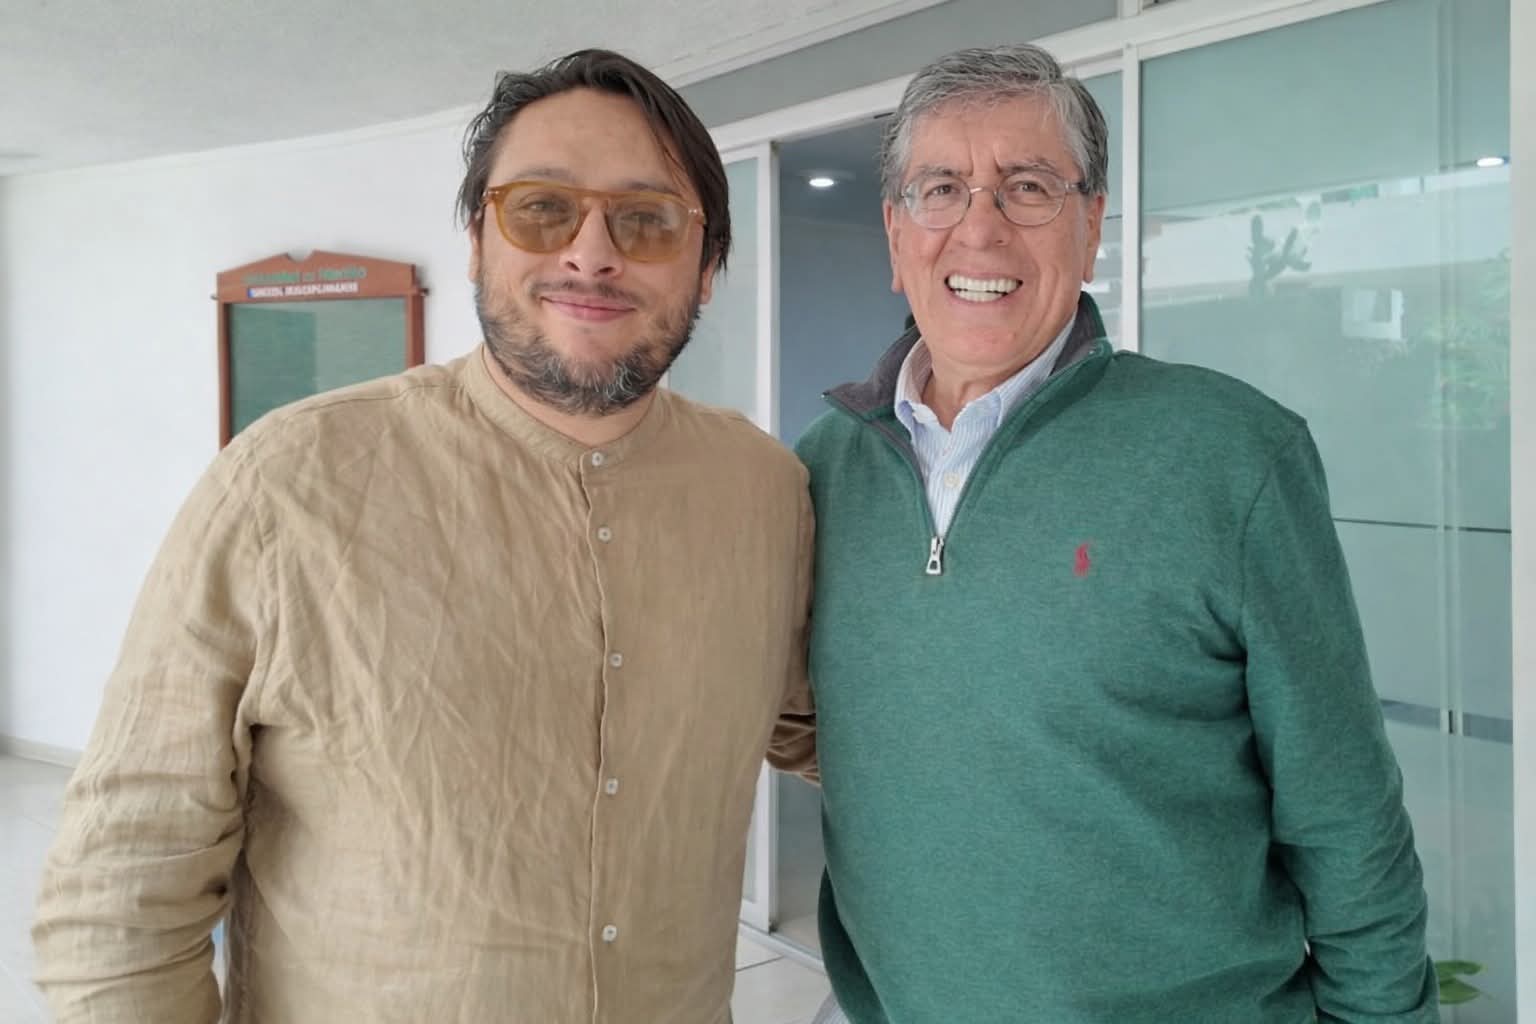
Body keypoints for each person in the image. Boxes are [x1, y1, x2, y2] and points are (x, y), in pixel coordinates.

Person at [34, 49, 815, 1024]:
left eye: (648, 219)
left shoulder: (766, 491)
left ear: (708, 271)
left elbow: (832, 728)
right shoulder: (286, 486)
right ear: (478, 242)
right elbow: (122, 892)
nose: (591, 253)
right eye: (542, 208)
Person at [795, 44, 1437, 1023]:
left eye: (1028, 187)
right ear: (895, 233)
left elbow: (1344, 811)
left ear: (1091, 225)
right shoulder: (820, 471)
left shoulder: (1229, 455)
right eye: (941, 189)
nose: (980, 227)